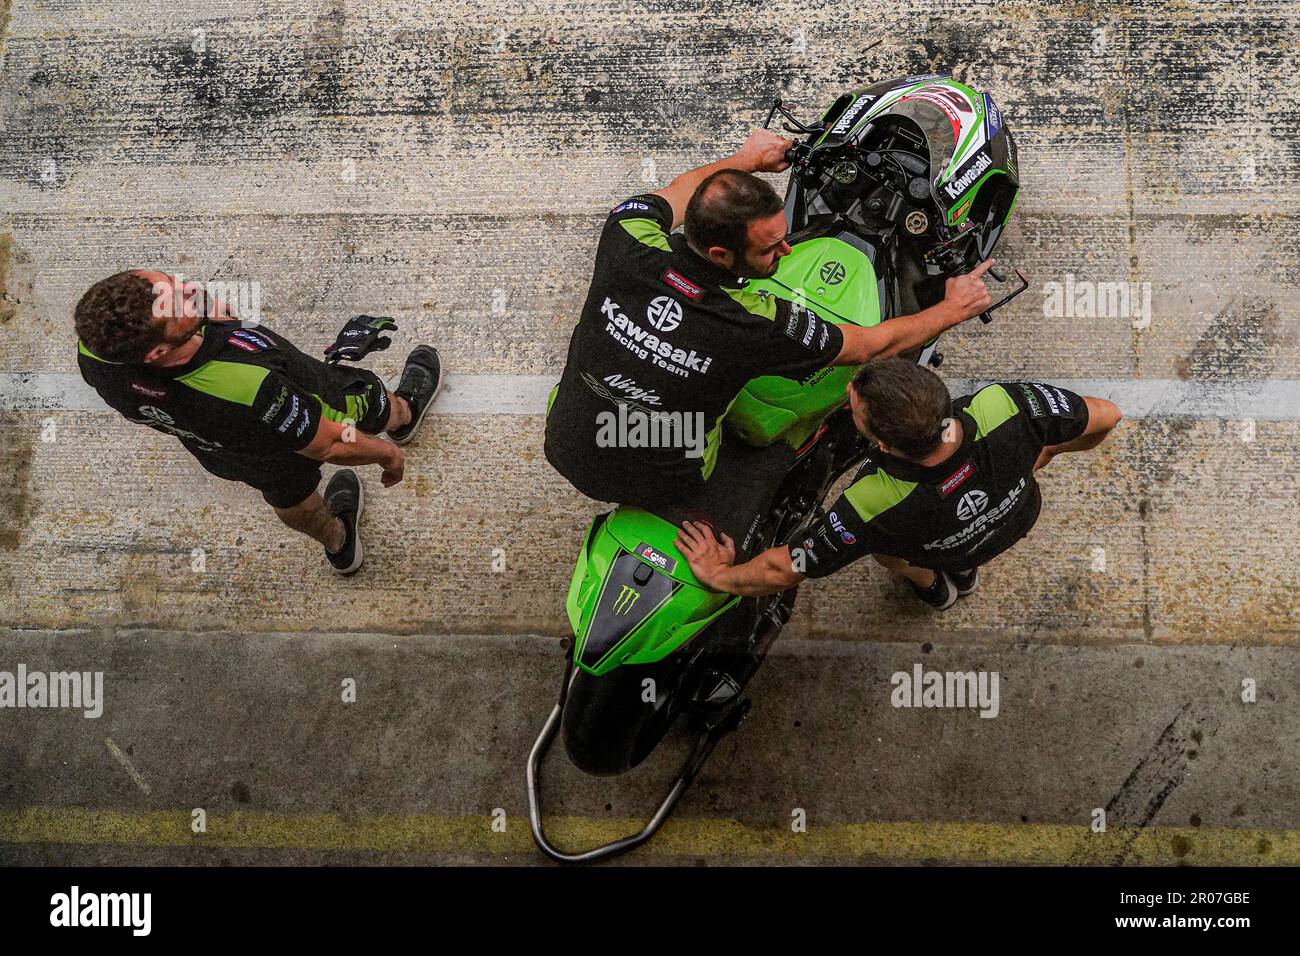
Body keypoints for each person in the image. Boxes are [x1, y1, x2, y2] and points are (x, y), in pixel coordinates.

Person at [544, 129, 996, 555]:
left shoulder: (628, 235)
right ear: (722, 254)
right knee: (769, 430)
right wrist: (951, 310)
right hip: (666, 478)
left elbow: (685, 188)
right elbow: (867, 346)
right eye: (771, 248)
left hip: (566, 440)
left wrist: (747, 161)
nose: (785, 252)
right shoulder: (751, 322)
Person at [74, 270, 442, 575]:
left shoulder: (98, 352)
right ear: (158, 352)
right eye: (179, 303)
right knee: (365, 403)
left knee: (288, 494)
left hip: (232, 452)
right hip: (301, 407)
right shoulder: (245, 385)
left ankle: (339, 542)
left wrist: (204, 316)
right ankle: (402, 416)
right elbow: (329, 443)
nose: (190, 289)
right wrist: (386, 455)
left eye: (172, 283)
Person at [676, 358, 1122, 609]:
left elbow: (786, 567)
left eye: (853, 411)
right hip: (1015, 518)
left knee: (886, 551)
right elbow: (1107, 415)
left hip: (939, 545)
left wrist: (719, 574)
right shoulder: (1002, 405)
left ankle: (937, 587)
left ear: (883, 445)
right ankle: (962, 572)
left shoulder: (871, 501)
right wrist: (1044, 454)